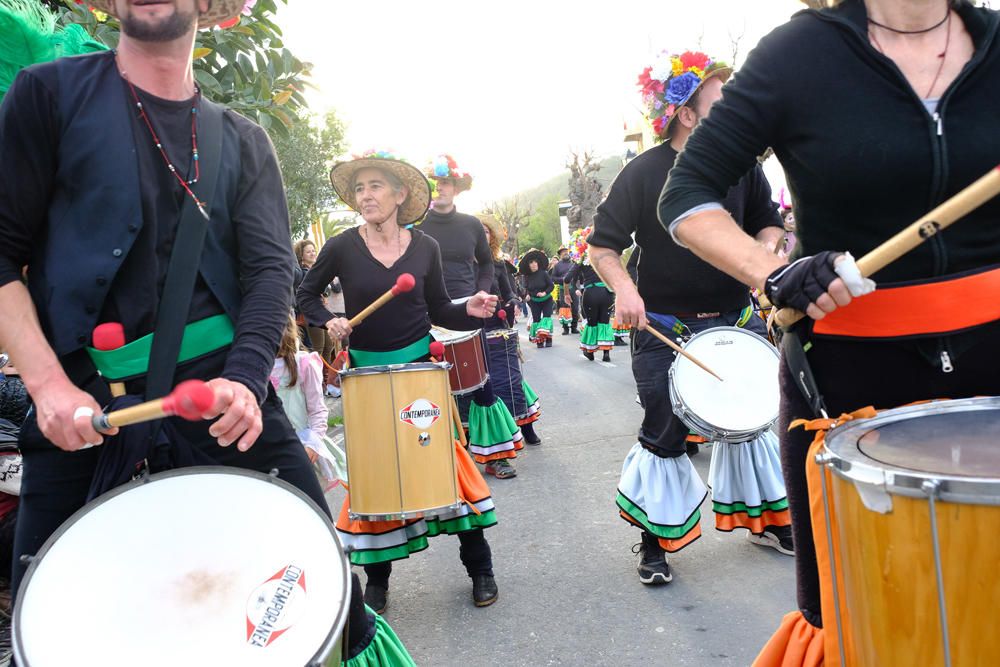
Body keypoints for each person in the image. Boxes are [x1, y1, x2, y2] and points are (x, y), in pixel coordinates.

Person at [660, 1, 1000, 663]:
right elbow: (686, 194)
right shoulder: (798, 55)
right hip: (847, 385)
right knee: (862, 615)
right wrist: (771, 270)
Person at [0, 0, 332, 607]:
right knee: (51, 619)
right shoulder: (45, 95)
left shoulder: (246, 141)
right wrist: (48, 388)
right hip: (79, 410)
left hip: (226, 403)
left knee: (323, 597)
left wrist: (245, 378)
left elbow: (268, 273)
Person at [588, 48, 792, 587]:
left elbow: (769, 223)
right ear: (686, 112)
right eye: (720, 99)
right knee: (664, 432)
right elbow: (602, 247)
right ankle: (655, 540)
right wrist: (625, 289)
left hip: (735, 316)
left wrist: (764, 254)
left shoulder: (744, 167)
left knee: (751, 421)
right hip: (664, 325)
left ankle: (769, 520)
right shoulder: (643, 171)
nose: (734, 107)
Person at [297, 151, 501, 614]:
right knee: (375, 474)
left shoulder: (424, 247)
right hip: (365, 373)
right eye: (359, 189)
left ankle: (480, 567)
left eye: (374, 186)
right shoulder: (342, 245)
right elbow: (305, 294)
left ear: (399, 194)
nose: (365, 196)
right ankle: (379, 580)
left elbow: (439, 308)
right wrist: (329, 321)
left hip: (419, 371)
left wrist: (467, 308)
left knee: (444, 463)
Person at [420, 155, 523, 478]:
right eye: (435, 184)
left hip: (468, 311)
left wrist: (481, 291)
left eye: (446, 183)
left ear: (457, 188)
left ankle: (494, 457)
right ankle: (442, 460)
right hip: (427, 314)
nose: (440, 189)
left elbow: (487, 263)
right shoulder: (415, 227)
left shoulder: (470, 226)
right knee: (432, 389)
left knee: (480, 384)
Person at [480, 214, 542, 445]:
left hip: (499, 326)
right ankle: (495, 434)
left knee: (510, 379)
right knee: (484, 384)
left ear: (492, 237)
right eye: (477, 231)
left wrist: (514, 303)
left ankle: (526, 426)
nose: (481, 234)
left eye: (486, 231)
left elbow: (510, 293)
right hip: (473, 329)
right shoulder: (462, 265)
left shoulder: (499, 264)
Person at [269, 314, 347, 487]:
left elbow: (317, 410)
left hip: (301, 449)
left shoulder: (303, 363)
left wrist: (311, 445)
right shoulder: (252, 366)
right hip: (267, 453)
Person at [565, 228, 615, 362]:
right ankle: (606, 354)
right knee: (604, 322)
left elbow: (567, 278)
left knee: (592, 323)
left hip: (591, 293)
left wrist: (567, 292)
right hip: (606, 293)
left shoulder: (581, 258)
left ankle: (590, 352)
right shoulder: (606, 255)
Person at [519, 249, 556, 348]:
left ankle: (548, 339)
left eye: (535, 262)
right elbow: (525, 288)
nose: (534, 264)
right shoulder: (527, 276)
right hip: (534, 301)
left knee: (546, 317)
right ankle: (539, 340)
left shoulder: (544, 273)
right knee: (536, 320)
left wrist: (544, 293)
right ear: (528, 265)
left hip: (547, 299)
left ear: (538, 263)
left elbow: (551, 286)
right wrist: (526, 295)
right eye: (531, 262)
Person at [550, 246, 580, 335]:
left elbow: (579, 275)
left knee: (575, 308)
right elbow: (553, 278)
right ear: (560, 255)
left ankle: (574, 327)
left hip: (574, 288)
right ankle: (565, 328)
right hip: (563, 289)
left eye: (566, 251)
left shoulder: (574, 263)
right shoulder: (557, 266)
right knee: (564, 309)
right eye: (563, 252)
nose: (565, 253)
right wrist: (563, 279)